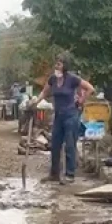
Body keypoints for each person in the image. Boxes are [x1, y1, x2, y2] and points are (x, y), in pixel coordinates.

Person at [30, 54, 95, 184]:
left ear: (65, 66)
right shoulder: (53, 79)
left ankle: (70, 175)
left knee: (70, 145)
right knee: (55, 144)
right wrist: (36, 102)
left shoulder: (72, 79)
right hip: (58, 116)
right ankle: (54, 174)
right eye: (56, 63)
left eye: (59, 64)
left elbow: (90, 88)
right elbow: (45, 92)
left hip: (71, 115)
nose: (56, 66)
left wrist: (81, 100)